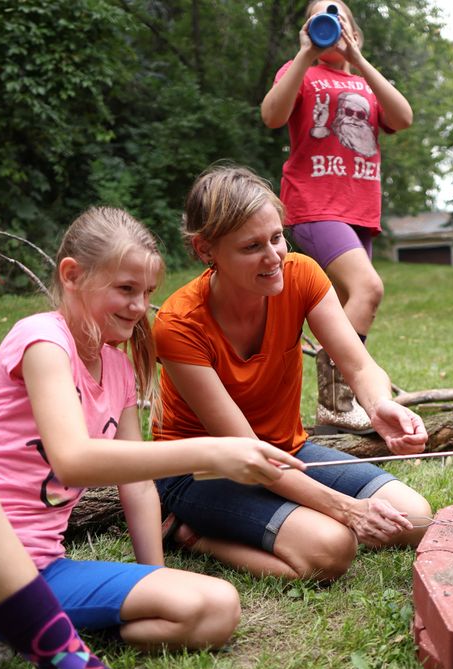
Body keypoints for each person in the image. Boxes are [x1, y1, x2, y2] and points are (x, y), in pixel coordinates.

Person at [0, 207, 305, 669]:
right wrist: (210, 452)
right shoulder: (42, 339)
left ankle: (8, 637)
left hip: (39, 573)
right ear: (72, 275)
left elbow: (137, 484)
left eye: (147, 292)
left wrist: (155, 574)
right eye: (125, 289)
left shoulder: (119, 368)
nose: (139, 306)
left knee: (214, 607)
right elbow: (72, 459)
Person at [152, 165, 432, 581]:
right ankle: (189, 535)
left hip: (286, 450)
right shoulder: (178, 325)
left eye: (277, 237)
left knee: (415, 518)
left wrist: (379, 406)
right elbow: (247, 451)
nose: (273, 258)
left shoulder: (300, 275)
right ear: (205, 249)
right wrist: (348, 510)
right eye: (251, 247)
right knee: (331, 550)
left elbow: (359, 365)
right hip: (203, 470)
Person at [260, 0, 413, 433]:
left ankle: (336, 416)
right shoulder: (301, 72)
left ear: (355, 33)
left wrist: (359, 59)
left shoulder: (366, 81)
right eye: (319, 18)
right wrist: (305, 54)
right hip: (313, 205)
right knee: (369, 287)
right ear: (308, 31)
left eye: (338, 17)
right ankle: (336, 401)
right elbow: (271, 116)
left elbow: (403, 118)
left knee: (350, 305)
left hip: (358, 213)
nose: (330, 24)